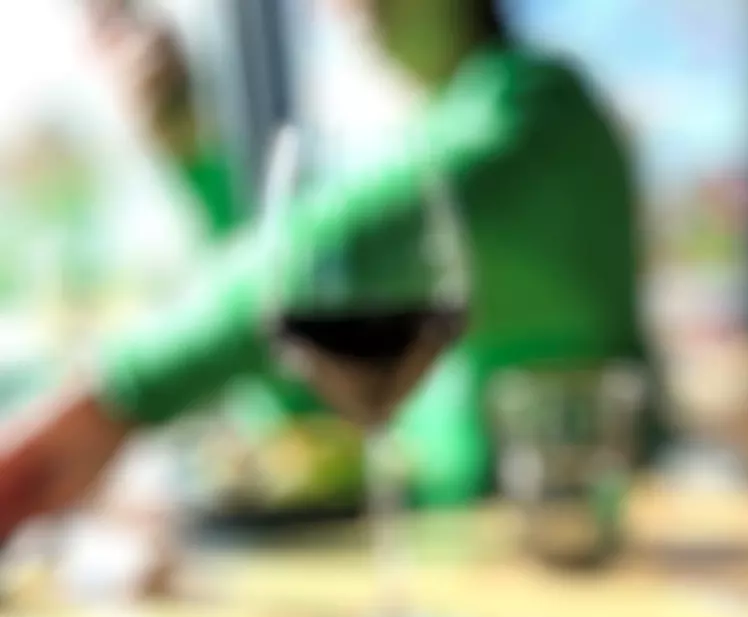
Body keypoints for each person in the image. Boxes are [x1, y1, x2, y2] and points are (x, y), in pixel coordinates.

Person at [0, 0, 646, 539]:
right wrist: (194, 151)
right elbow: (298, 349)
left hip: (579, 541)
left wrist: (117, 391)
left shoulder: (540, 112)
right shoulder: (424, 135)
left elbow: (336, 252)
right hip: (458, 550)